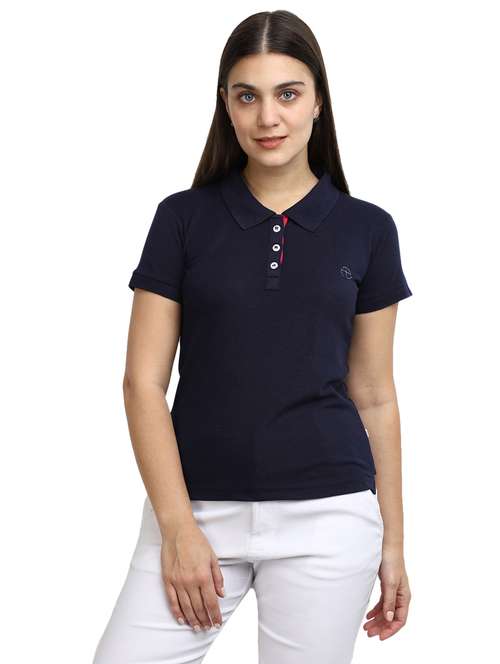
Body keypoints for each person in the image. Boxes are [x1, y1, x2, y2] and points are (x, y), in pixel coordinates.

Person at [92, 9, 413, 664]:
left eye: (287, 94)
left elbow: (375, 395)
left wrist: (394, 546)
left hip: (330, 518)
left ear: (318, 101)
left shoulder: (368, 229)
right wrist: (177, 528)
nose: (268, 117)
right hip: (195, 510)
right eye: (248, 96)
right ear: (226, 105)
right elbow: (142, 384)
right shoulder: (181, 219)